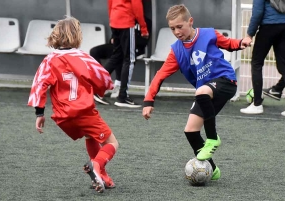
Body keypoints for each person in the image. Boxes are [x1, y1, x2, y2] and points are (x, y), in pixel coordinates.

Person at [142, 4, 249, 181]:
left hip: (226, 81)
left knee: (201, 91)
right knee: (191, 131)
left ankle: (213, 139)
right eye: (172, 28)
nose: (176, 32)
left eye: (179, 26)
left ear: (190, 22)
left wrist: (240, 43)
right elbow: (159, 75)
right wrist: (148, 101)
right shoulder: (176, 51)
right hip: (205, 91)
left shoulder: (208, 34)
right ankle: (212, 170)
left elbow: (228, 44)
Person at [27, 16, 119, 193]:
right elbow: (103, 78)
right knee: (112, 143)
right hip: (83, 111)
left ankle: (102, 176)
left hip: (62, 116)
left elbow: (39, 85)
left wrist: (39, 113)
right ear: (77, 36)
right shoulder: (84, 57)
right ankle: (96, 165)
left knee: (90, 136)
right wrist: (106, 87)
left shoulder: (49, 60)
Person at [91, 17, 151, 105]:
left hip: (135, 47)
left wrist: (128, 42)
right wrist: (114, 39)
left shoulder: (145, 21)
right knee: (95, 51)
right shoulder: (122, 18)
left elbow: (144, 40)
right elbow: (114, 37)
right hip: (120, 44)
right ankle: (100, 86)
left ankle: (118, 85)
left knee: (123, 55)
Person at [240, 0, 285, 115]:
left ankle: (257, 104)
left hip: (268, 27)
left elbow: (258, 13)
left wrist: (250, 34)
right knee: (283, 66)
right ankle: (277, 89)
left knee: (257, 63)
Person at [101, 0, 149, 108]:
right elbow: (137, 6)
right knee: (130, 60)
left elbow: (110, 3)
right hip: (126, 23)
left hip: (114, 21)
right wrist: (143, 27)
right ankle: (123, 96)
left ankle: (95, 87)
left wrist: (112, 20)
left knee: (116, 56)